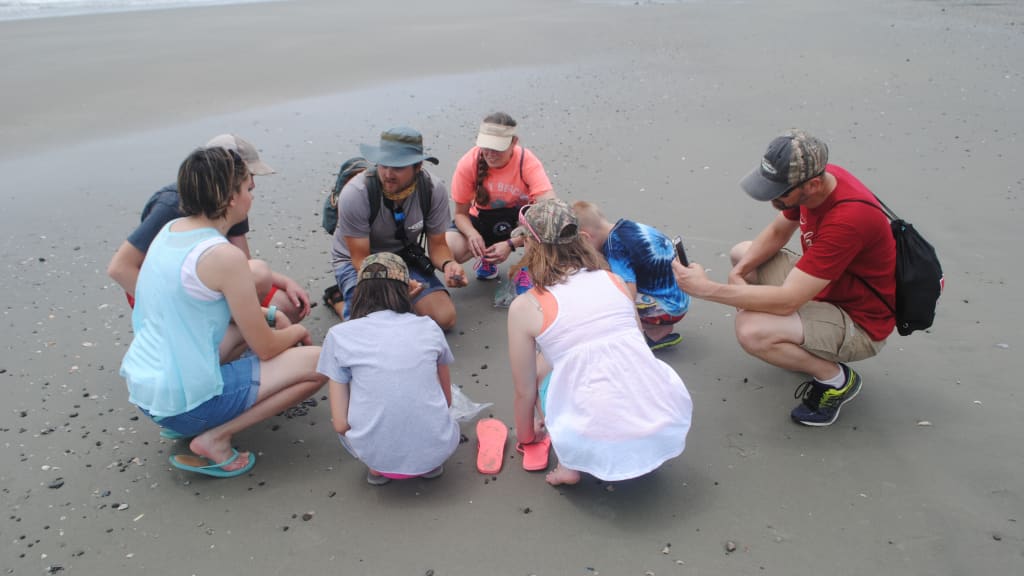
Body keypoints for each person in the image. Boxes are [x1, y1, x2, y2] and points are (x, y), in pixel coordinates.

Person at [120, 147, 326, 477]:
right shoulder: (221, 256)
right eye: (248, 189)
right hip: (183, 403)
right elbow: (267, 347)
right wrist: (298, 332)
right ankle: (215, 438)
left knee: (239, 332)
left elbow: (210, 311)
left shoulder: (169, 232)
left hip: (149, 392)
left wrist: (270, 317)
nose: (251, 197)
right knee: (321, 362)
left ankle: (188, 422)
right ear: (230, 198)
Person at [673, 129, 896, 427]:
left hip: (860, 321)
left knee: (751, 330)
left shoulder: (848, 220)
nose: (771, 199)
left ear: (813, 184)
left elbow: (787, 301)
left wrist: (705, 289)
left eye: (779, 192)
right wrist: (738, 273)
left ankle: (835, 380)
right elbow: (779, 231)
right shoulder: (824, 181)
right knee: (743, 255)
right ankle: (799, 340)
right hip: (827, 288)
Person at [507, 199, 692, 486]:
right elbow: (637, 344)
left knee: (543, 369)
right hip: (659, 420)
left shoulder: (525, 306)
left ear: (531, 245)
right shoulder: (614, 279)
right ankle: (634, 437)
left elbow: (523, 390)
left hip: (593, 436)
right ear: (581, 239)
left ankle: (569, 464)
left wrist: (527, 437)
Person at [107, 134, 311, 323]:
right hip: (165, 290)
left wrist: (284, 282)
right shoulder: (171, 205)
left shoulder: (235, 200)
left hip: (209, 277)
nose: (253, 185)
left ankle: (232, 331)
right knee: (263, 303)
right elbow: (120, 268)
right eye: (248, 175)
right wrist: (174, 312)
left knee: (288, 308)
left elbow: (243, 264)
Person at [317, 252, 459, 486]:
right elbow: (446, 400)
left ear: (360, 292)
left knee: (357, 379)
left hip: (375, 454)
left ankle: (377, 468)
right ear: (407, 288)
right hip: (437, 448)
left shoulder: (339, 336)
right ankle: (429, 465)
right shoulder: (428, 327)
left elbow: (341, 424)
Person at [331, 127, 467, 330]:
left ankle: (395, 305)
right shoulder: (355, 194)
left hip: (403, 257)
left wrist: (448, 264)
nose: (388, 174)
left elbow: (438, 246)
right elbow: (360, 258)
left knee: (444, 318)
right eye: (383, 165)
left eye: (398, 167)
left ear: (418, 166)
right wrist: (398, 281)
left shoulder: (432, 190)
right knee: (370, 331)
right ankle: (339, 300)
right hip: (360, 263)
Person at [445, 112, 555, 282]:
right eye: (486, 147)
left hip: (521, 221)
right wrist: (472, 234)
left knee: (548, 227)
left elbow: (550, 209)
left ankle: (528, 268)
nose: (490, 154)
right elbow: (460, 214)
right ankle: (487, 257)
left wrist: (512, 243)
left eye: (497, 148)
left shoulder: (526, 161)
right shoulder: (468, 164)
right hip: (482, 219)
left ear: (513, 142)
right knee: (449, 247)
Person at [574, 201, 690, 350]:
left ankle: (654, 334)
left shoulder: (615, 249)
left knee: (606, 295)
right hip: (680, 294)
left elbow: (628, 292)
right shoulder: (626, 227)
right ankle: (658, 326)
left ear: (586, 238)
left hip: (668, 307)